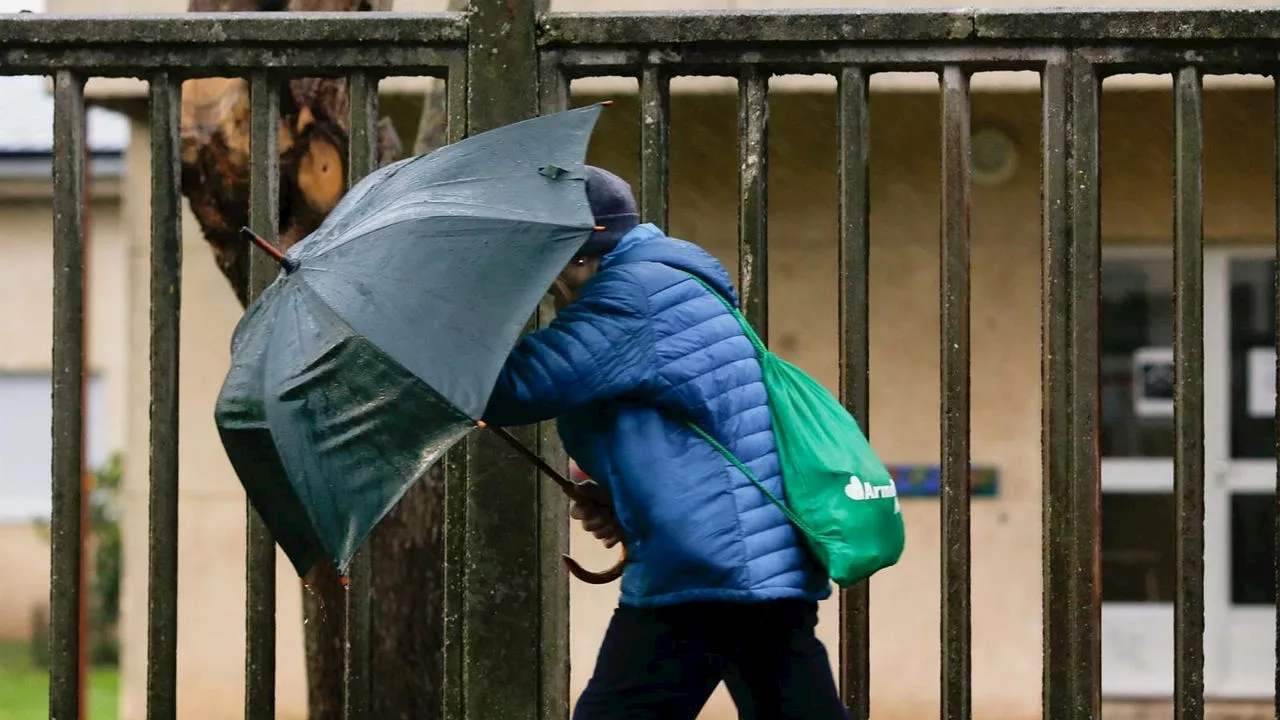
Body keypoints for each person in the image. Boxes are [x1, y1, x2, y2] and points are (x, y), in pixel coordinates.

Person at [483, 166, 848, 720]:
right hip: (753, 563)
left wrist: (439, 336)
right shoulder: (665, 280)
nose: (550, 281)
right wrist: (621, 499)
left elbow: (515, 386)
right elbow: (683, 425)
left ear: (581, 252)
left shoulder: (632, 295)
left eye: (551, 260)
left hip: (708, 570)